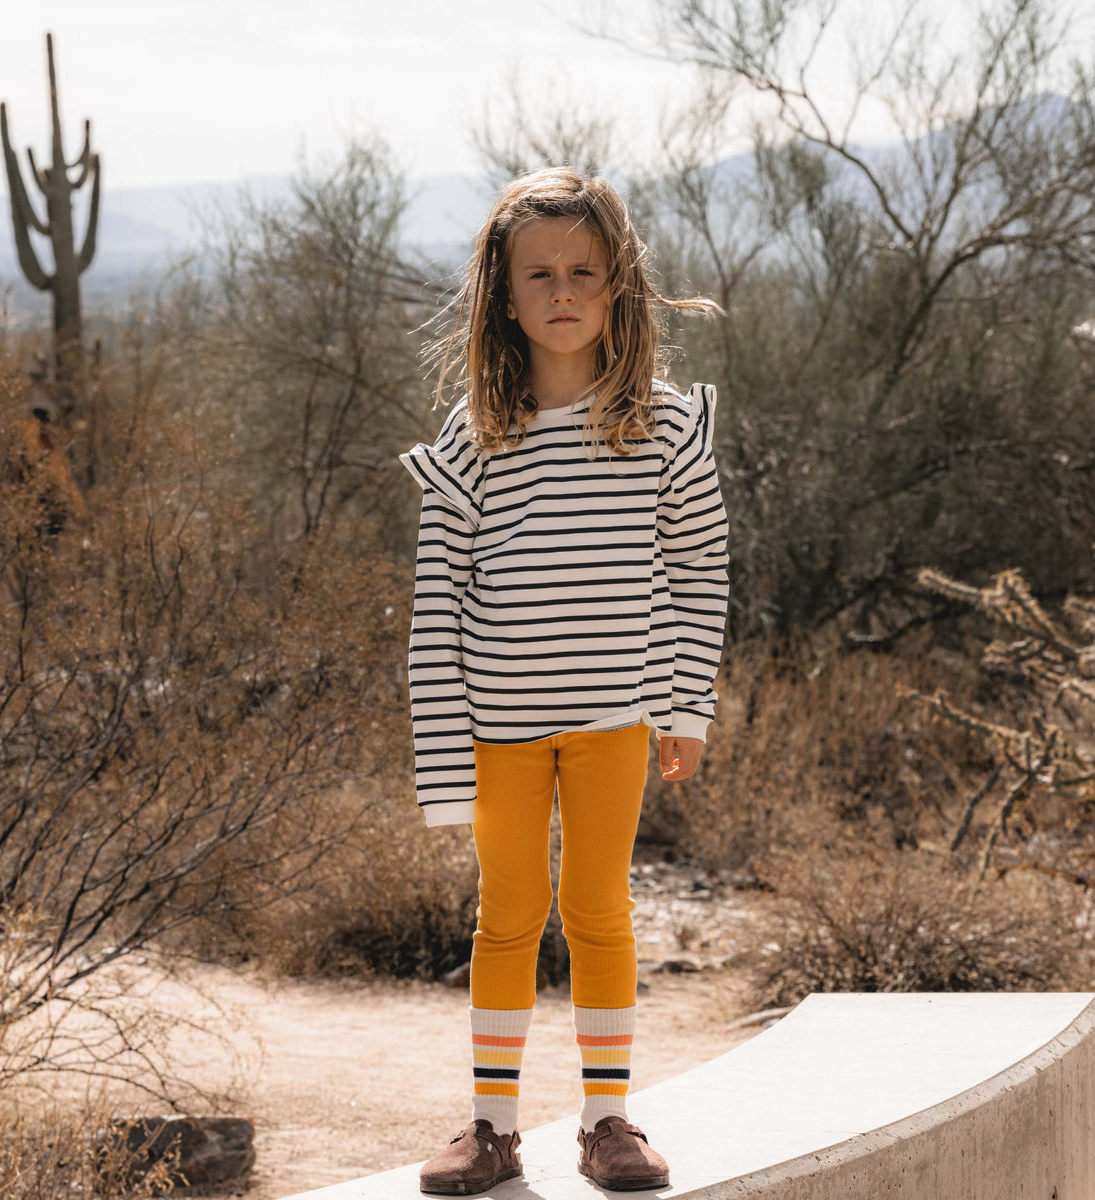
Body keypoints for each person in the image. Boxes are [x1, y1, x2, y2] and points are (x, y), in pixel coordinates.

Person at [398, 165, 729, 1194]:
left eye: (585, 269)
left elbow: (699, 570)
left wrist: (687, 708)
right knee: (506, 916)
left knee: (599, 910)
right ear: (503, 294)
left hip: (611, 722)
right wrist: (444, 758)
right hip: (498, 728)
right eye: (538, 273)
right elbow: (436, 605)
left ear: (618, 284)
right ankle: (491, 1129)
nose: (563, 290)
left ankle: (609, 1121)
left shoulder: (662, 428)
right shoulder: (476, 438)